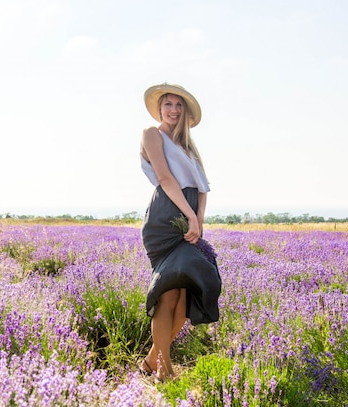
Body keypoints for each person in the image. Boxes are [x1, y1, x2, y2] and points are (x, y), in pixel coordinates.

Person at [139, 83, 222, 381]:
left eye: (178, 105)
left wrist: (198, 218)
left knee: (185, 296)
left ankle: (151, 359)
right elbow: (164, 178)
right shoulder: (152, 135)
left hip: (189, 219)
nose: (173, 110)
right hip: (165, 219)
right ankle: (165, 368)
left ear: (184, 111)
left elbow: (202, 189)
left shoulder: (188, 147)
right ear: (160, 108)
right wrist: (189, 216)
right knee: (168, 292)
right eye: (168, 104)